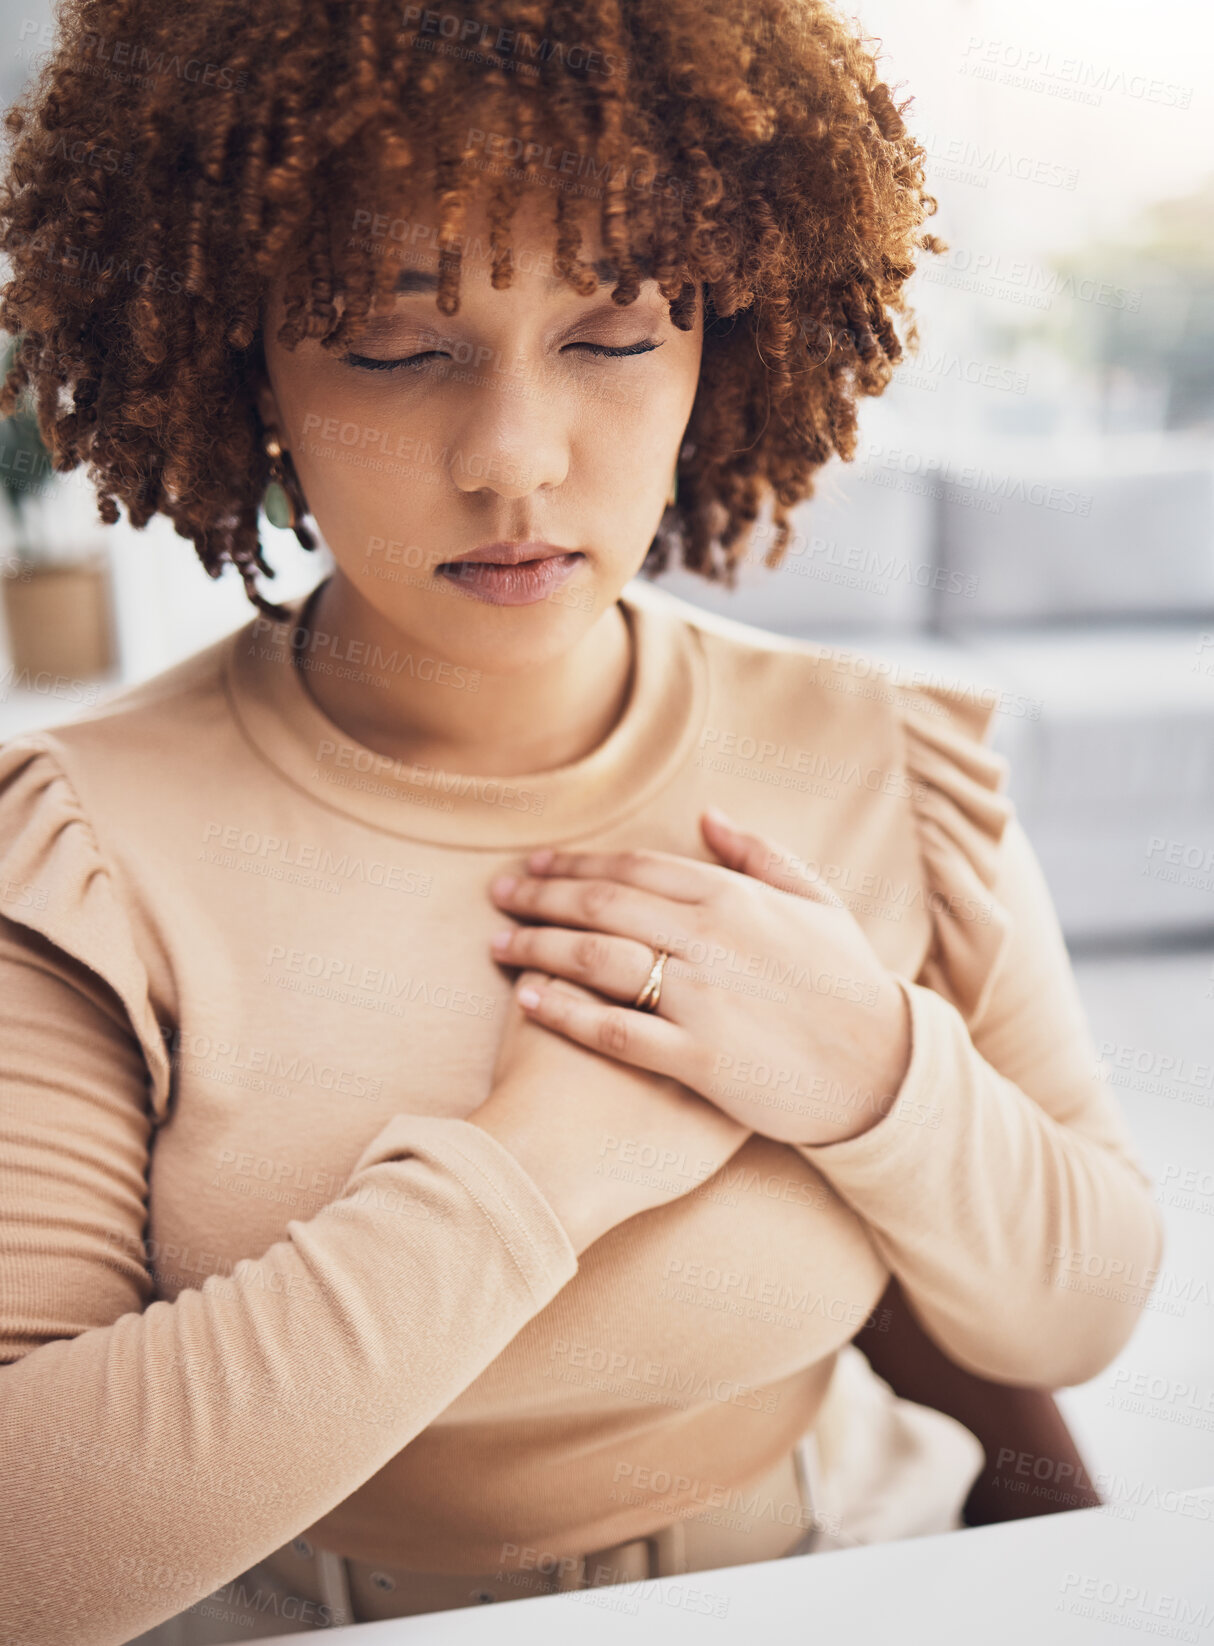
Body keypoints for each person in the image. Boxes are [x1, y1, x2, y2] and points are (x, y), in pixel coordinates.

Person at [0, 2, 1163, 1642]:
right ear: (240, 360)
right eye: (395, 351)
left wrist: (874, 1076)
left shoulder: (883, 756)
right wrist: (529, 1181)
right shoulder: (79, 845)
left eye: (613, 337)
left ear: (722, 344)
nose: (514, 460)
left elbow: (1081, 1309)